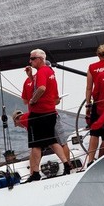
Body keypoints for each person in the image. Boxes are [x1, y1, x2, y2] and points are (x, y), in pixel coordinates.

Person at [21, 49, 70, 182]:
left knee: (36, 144)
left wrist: (33, 100)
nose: (30, 61)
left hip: (39, 113)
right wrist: (31, 76)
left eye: (32, 58)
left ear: (40, 59)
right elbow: (43, 87)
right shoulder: (49, 71)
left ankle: (35, 174)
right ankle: (66, 165)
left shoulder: (42, 71)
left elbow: (41, 88)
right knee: (52, 141)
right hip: (50, 112)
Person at [84, 44, 104, 128]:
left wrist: (88, 105)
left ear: (97, 54)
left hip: (99, 101)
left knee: (95, 128)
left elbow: (89, 88)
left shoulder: (92, 67)